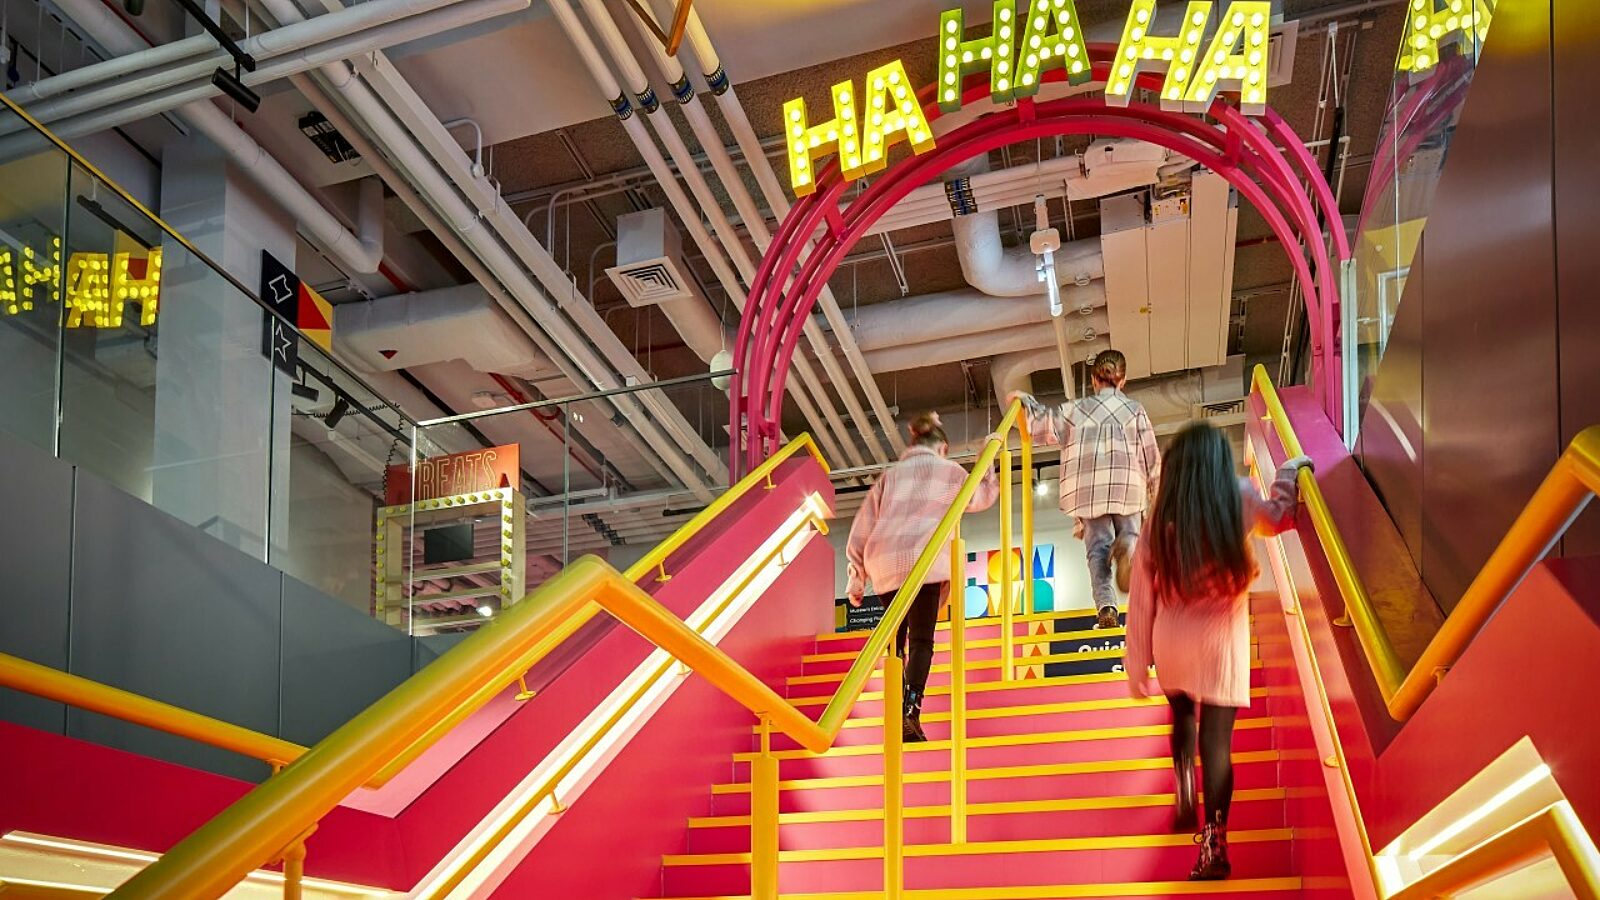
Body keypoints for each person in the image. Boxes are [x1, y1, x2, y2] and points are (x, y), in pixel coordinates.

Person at [1124, 421, 1312, 880]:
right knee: (1218, 743)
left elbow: (1140, 597)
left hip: (1172, 643)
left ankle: (1185, 790)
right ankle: (1213, 843)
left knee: (1182, 714)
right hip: (1220, 643)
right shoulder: (1239, 496)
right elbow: (1279, 517)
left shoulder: (1159, 517)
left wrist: (1136, 665)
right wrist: (1289, 470)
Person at [846, 412, 1000, 742]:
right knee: (921, 641)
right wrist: (989, 456)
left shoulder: (890, 475)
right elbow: (982, 496)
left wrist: (856, 576)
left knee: (894, 641)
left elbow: (863, 526)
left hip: (885, 564)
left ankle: (895, 707)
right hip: (925, 562)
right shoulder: (949, 471)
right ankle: (910, 709)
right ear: (942, 447)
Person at [1011, 349, 1161, 630]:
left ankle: (1106, 607)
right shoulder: (1135, 411)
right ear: (1123, 379)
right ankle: (1129, 548)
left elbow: (1041, 424)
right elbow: (1151, 457)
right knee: (1131, 535)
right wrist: (1155, 490)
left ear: (1094, 379)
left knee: (1097, 549)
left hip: (1088, 493)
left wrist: (1022, 401)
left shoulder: (1074, 410)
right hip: (1127, 489)